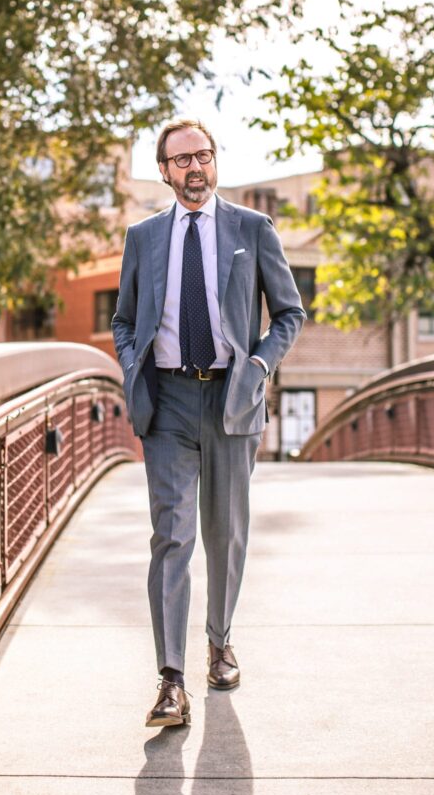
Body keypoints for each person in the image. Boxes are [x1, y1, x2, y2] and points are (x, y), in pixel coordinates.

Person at [112, 117, 306, 727]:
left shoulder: (251, 229)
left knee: (225, 534)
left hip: (232, 398)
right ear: (164, 171)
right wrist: (130, 364)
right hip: (166, 402)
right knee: (172, 536)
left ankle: (219, 642)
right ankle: (170, 680)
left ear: (215, 162)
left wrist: (256, 364)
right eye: (181, 160)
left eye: (203, 156)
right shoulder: (142, 237)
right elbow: (122, 320)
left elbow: (289, 313)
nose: (195, 168)